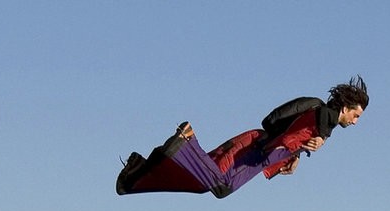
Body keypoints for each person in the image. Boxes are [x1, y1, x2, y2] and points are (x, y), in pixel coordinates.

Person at [116, 76, 368, 199]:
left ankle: (139, 173)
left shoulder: (315, 113)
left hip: (254, 146)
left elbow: (282, 126)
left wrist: (295, 156)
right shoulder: (325, 116)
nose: (355, 122)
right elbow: (323, 119)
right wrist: (321, 138)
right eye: (356, 115)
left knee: (205, 179)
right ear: (345, 108)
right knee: (220, 186)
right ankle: (187, 142)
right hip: (253, 152)